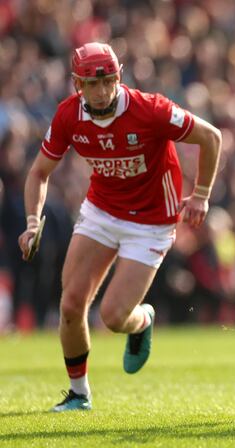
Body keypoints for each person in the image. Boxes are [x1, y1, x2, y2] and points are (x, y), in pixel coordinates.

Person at [18, 42, 222, 412]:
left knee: (113, 317)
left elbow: (211, 137)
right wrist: (33, 222)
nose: (101, 92)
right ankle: (79, 393)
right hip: (101, 211)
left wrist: (201, 195)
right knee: (71, 303)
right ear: (77, 85)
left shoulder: (150, 109)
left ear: (118, 77)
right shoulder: (68, 116)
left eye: (108, 82)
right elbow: (38, 173)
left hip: (152, 222)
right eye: (91, 85)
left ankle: (142, 321)